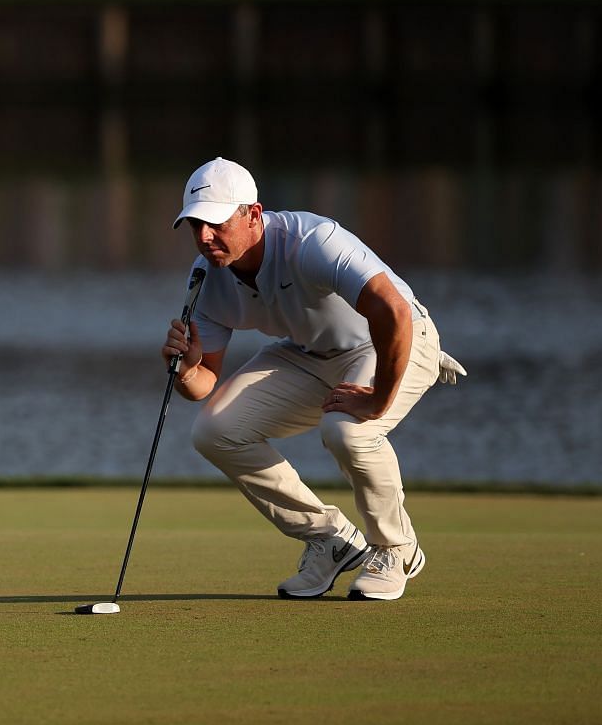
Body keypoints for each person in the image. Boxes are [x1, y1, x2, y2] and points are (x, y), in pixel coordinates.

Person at [160, 157, 463, 602]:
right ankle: (331, 539)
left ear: (253, 215)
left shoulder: (311, 241)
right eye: (195, 225)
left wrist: (378, 399)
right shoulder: (208, 276)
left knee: (348, 431)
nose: (204, 237)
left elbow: (393, 310)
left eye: (216, 223)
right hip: (311, 354)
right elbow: (203, 383)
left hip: (398, 339)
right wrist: (186, 367)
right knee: (214, 431)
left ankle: (396, 546)